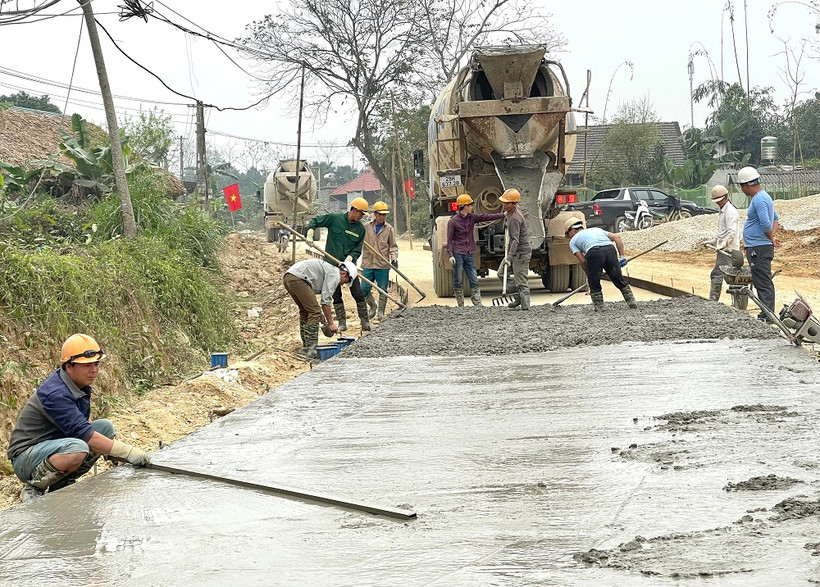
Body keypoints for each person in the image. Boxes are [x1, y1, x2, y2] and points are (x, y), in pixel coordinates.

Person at [7, 334, 150, 503]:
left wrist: (108, 447)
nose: (94, 370)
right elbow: (83, 435)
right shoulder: (56, 394)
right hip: (27, 458)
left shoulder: (77, 385)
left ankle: (62, 482)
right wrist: (128, 452)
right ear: (69, 366)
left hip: (54, 445)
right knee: (78, 447)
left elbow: (82, 425)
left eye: (96, 364)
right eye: (87, 365)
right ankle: (34, 486)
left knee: (105, 427)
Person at [305, 197, 370, 331]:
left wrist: (349, 259)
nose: (362, 217)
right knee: (335, 295)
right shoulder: (335, 219)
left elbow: (357, 248)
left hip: (349, 266)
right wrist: (310, 233)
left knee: (357, 292)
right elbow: (315, 221)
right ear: (354, 210)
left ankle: (364, 321)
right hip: (330, 265)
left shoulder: (360, 229)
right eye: (361, 213)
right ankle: (342, 322)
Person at [283, 259, 357, 358]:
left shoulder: (329, 270)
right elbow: (326, 301)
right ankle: (312, 351)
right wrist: (330, 323)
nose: (343, 284)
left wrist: (320, 314)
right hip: (298, 278)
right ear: (343, 274)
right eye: (345, 281)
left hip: (289, 277)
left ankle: (306, 349)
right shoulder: (334, 275)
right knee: (314, 312)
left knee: (306, 311)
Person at [565, 218, 638, 311]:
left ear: (572, 230)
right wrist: (622, 256)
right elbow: (617, 238)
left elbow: (583, 261)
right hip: (610, 250)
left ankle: (600, 308)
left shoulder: (573, 241)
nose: (569, 237)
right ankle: (632, 303)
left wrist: (590, 275)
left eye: (568, 234)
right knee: (618, 278)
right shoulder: (596, 230)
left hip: (594, 252)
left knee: (594, 283)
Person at [446, 193, 504, 307]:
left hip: (468, 253)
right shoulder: (453, 222)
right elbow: (449, 239)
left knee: (473, 279)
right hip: (458, 253)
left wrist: (502, 215)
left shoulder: (472, 218)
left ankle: (477, 304)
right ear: (465, 206)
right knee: (458, 280)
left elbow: (486, 217)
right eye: (471, 205)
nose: (472, 207)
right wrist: (450, 255)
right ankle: (460, 305)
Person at [738, 166, 780, 321]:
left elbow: (766, 222)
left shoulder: (760, 199)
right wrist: (772, 237)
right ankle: (766, 313)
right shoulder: (763, 197)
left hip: (759, 248)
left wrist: (770, 237)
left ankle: (767, 316)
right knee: (761, 280)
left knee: (763, 282)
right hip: (759, 246)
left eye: (742, 187)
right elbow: (776, 218)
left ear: (746, 185)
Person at [362, 201, 398, 321]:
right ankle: (373, 305)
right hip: (368, 263)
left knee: (383, 289)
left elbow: (393, 246)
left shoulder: (389, 229)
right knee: (364, 289)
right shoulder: (366, 227)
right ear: (375, 214)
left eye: (384, 215)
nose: (383, 217)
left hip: (382, 265)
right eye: (381, 214)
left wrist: (394, 259)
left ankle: (381, 312)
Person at [704, 184, 741, 302]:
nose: (718, 203)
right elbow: (723, 232)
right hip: (724, 250)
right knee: (731, 278)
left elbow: (731, 232)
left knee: (717, 274)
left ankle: (713, 302)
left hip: (728, 251)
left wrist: (722, 245)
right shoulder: (722, 211)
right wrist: (714, 241)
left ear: (726, 197)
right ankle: (738, 301)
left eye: (719, 201)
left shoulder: (730, 212)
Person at [497, 188, 532, 310]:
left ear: (514, 204)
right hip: (514, 252)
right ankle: (517, 297)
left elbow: (515, 240)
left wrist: (509, 257)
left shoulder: (515, 219)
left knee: (521, 281)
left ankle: (525, 306)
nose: (503, 204)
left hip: (521, 253)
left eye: (506, 203)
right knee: (501, 273)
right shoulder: (511, 213)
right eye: (503, 202)